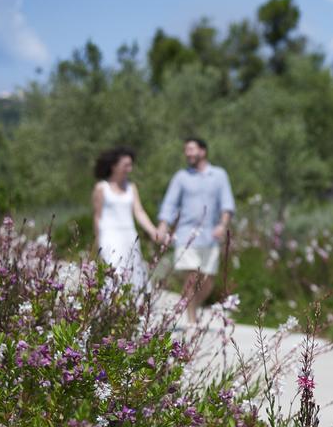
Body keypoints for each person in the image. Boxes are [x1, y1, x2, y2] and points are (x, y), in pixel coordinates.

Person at [157, 137, 235, 321]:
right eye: (186, 150)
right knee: (191, 276)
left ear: (203, 151)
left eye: (191, 149)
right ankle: (192, 319)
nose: (188, 153)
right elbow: (169, 204)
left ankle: (192, 305)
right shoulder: (181, 177)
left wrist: (223, 225)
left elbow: (227, 204)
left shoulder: (219, 175)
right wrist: (163, 225)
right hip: (186, 234)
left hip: (210, 235)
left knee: (208, 279)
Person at [92, 147, 159, 295]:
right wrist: (97, 240)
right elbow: (97, 216)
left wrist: (153, 231)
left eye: (130, 165)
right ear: (114, 166)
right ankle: (110, 307)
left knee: (132, 271)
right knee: (114, 270)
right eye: (126, 165)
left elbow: (138, 211)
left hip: (129, 236)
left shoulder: (131, 187)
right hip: (109, 236)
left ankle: (130, 310)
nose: (129, 169)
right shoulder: (102, 188)